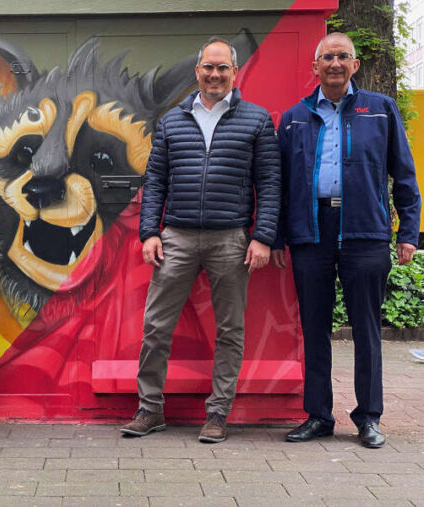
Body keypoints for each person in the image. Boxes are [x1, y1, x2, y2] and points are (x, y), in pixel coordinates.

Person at [120, 37, 280, 442]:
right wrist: (149, 231)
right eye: (208, 67)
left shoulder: (258, 120)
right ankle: (150, 409)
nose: (215, 74)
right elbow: (155, 181)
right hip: (177, 236)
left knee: (230, 330)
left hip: (232, 239)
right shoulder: (172, 121)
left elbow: (271, 183)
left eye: (223, 67)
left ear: (234, 71)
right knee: (156, 325)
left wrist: (262, 237)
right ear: (197, 71)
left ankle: (218, 413)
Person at [274, 32, 421, 448]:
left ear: (355, 65)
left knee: (367, 329)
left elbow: (405, 176)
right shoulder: (294, 117)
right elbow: (279, 184)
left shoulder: (380, 110)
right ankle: (319, 415)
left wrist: (407, 232)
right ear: (314, 67)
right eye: (327, 57)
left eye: (343, 57)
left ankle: (368, 417)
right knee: (314, 328)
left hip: (366, 230)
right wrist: (279, 237)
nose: (335, 63)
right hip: (311, 232)